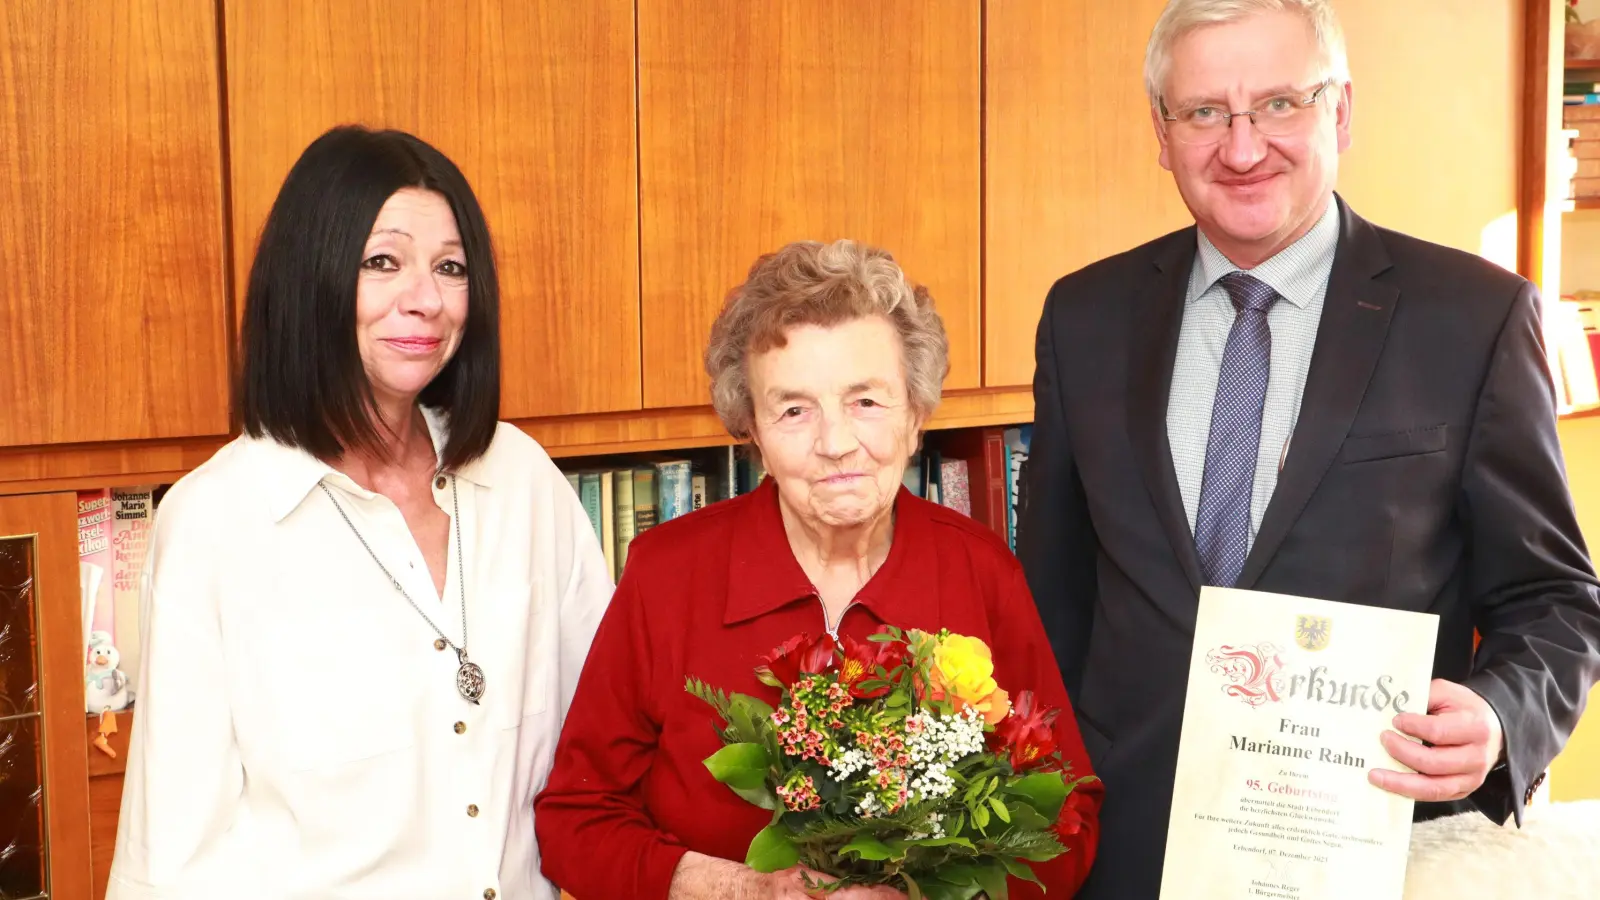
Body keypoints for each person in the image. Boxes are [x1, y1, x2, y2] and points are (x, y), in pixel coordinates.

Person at [1020, 0, 1600, 896]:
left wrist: (1498, 716)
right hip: (1121, 848)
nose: (1243, 148)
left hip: (1365, 849)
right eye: (1205, 111)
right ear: (1161, 133)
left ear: (1342, 111)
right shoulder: (1082, 317)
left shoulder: (1474, 318)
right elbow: (1053, 600)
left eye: (1281, 103)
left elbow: (1554, 600)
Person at [108, 125, 612, 899]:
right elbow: (174, 856)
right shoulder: (215, 522)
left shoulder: (523, 480)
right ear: (311, 276)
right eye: (383, 261)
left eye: (452, 267)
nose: (427, 300)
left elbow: (614, 744)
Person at [534, 239, 1102, 899]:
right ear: (750, 430)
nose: (834, 444)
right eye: (795, 410)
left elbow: (1069, 816)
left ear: (916, 416)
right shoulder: (667, 574)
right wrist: (744, 890)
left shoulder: (980, 571)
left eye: (866, 401)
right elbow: (576, 821)